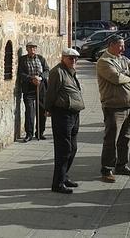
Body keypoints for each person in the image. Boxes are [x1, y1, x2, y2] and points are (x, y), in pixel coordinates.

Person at [96, 35, 130, 183]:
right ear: (111, 45)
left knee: (126, 138)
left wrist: (126, 73)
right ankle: (107, 169)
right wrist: (129, 74)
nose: (123, 48)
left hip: (129, 106)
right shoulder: (104, 61)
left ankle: (122, 165)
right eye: (121, 45)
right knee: (111, 139)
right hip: (113, 107)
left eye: (123, 46)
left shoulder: (122, 59)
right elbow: (116, 79)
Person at [45, 48, 85, 194]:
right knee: (63, 149)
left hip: (74, 114)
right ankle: (58, 183)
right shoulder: (57, 72)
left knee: (72, 148)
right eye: (70, 58)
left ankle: (64, 176)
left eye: (75, 58)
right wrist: (48, 108)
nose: (74, 60)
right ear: (63, 58)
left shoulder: (71, 71)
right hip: (62, 114)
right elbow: (51, 92)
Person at [18, 41, 50, 142]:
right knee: (30, 112)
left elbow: (46, 70)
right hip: (29, 89)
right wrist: (32, 78)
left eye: (34, 48)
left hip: (41, 88)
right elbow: (21, 73)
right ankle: (29, 133)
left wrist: (40, 78)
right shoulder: (23, 60)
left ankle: (40, 132)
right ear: (27, 49)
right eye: (30, 48)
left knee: (41, 111)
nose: (32, 50)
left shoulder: (41, 58)